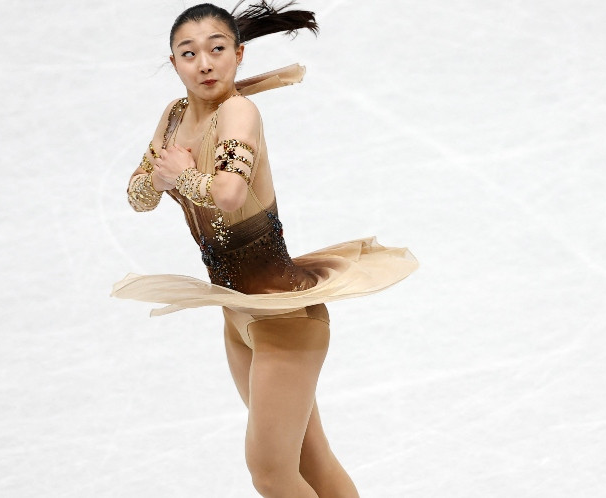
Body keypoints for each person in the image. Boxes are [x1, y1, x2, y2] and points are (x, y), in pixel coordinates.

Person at [110, 2, 418, 496]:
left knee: (270, 474)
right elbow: (137, 197)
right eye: (189, 53)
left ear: (239, 54)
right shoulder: (173, 117)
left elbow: (229, 192)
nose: (204, 63)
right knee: (310, 462)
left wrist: (176, 175)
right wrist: (159, 177)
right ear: (174, 63)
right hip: (237, 314)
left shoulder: (239, 111)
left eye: (216, 50)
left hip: (286, 317)